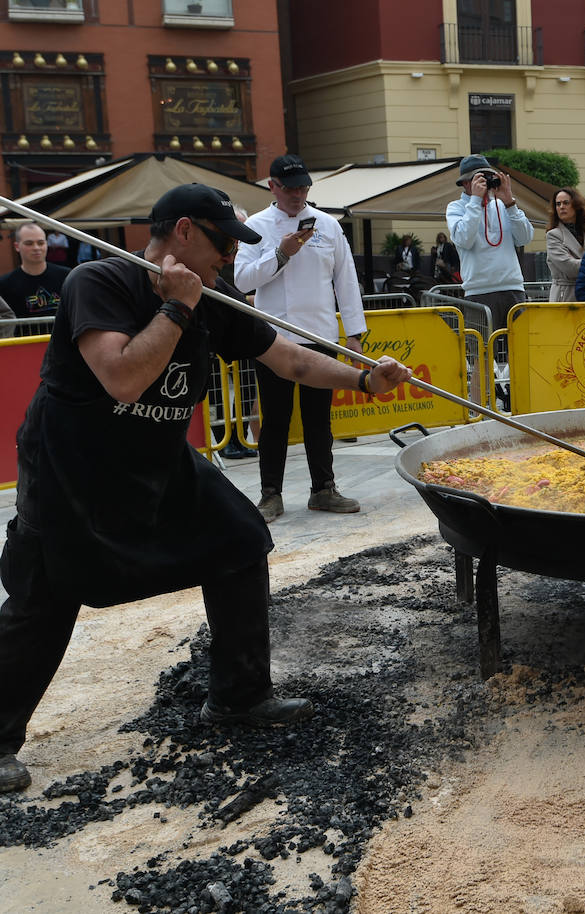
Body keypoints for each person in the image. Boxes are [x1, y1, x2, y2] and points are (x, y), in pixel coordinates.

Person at [0, 183, 412, 795]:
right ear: (185, 230)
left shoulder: (211, 296)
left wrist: (362, 378)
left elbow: (290, 361)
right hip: (72, 467)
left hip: (160, 459)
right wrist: (175, 310)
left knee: (240, 541)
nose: (229, 258)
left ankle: (239, 699)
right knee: (46, 596)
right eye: (224, 243)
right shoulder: (101, 283)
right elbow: (123, 379)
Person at [236, 154, 370, 523]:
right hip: (274, 337)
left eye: (303, 187)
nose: (298, 195)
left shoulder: (328, 224)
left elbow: (346, 280)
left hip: (321, 333)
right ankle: (270, 494)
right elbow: (242, 280)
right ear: (272, 187)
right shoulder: (256, 227)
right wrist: (280, 254)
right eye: (290, 188)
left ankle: (323, 488)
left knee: (318, 420)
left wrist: (354, 334)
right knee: (275, 420)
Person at [445, 154, 533, 332]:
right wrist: (475, 201)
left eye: (488, 177)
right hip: (479, 292)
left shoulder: (503, 206)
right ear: (465, 183)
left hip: (512, 288)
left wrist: (510, 203)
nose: (486, 183)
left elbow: (525, 238)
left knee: (520, 351)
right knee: (481, 352)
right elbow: (464, 239)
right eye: (479, 178)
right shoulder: (456, 208)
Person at [0, 222, 71, 328]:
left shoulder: (67, 276)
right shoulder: (4, 284)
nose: (36, 248)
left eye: (41, 243)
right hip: (24, 343)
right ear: (17, 246)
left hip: (63, 342)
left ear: (47, 244)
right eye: (29, 243)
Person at [545, 187, 585, 302]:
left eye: (566, 203)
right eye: (558, 204)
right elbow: (570, 268)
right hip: (565, 296)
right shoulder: (553, 235)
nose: (561, 207)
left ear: (576, 205)